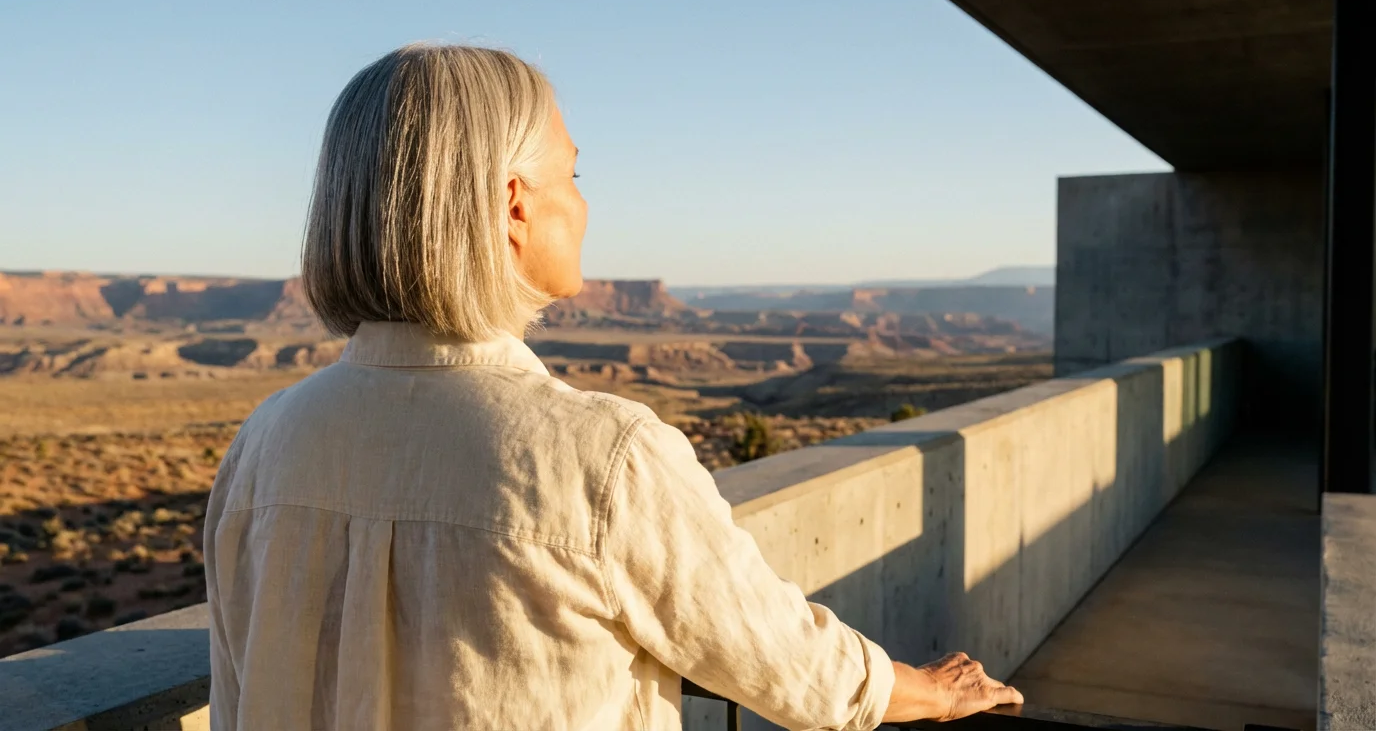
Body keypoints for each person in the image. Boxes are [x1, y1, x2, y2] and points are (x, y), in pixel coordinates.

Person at [203, 42, 1022, 731]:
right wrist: (927, 689)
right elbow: (779, 657)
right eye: (575, 175)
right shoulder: (605, 458)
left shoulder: (265, 442)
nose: (584, 205)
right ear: (514, 206)